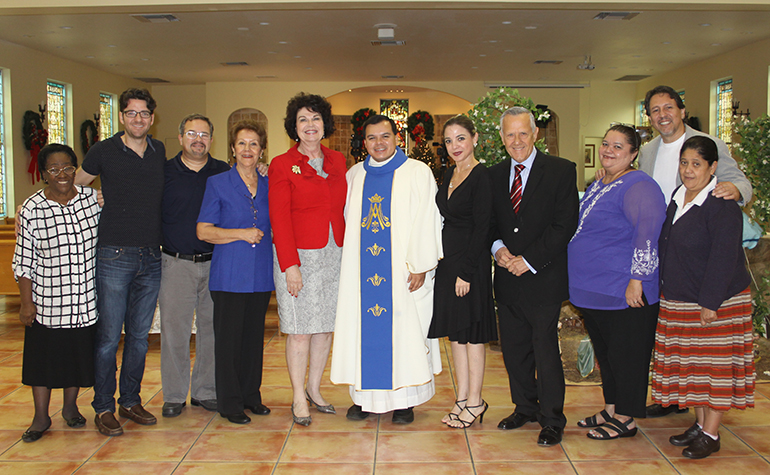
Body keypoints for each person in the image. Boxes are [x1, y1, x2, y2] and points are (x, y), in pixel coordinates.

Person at [638, 85, 752, 418]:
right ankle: (676, 398)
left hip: (701, 248)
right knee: (684, 350)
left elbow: (739, 183)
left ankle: (705, 422)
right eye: (655, 110)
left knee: (706, 355)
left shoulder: (709, 145)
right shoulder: (648, 150)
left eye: (668, 108)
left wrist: (734, 191)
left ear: (682, 110)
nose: (663, 115)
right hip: (671, 248)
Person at [331, 115, 442, 424]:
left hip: (403, 272)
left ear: (397, 139)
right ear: (363, 142)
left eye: (385, 136)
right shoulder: (354, 176)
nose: (378, 143)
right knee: (360, 331)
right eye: (371, 138)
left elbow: (428, 220)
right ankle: (364, 399)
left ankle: (405, 402)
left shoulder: (418, 172)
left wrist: (420, 265)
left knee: (406, 334)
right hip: (361, 274)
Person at [651, 136, 753, 459]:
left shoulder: (721, 204)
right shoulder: (677, 195)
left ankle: (711, 432)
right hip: (680, 298)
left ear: (713, 168)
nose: (688, 171)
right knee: (692, 368)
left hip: (715, 302)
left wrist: (711, 302)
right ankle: (698, 424)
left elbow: (724, 257)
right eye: (684, 163)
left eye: (696, 164)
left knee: (714, 371)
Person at [75, 88, 165, 436]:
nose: (138, 119)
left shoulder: (159, 151)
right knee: (109, 337)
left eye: (144, 113)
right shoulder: (103, 151)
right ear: (122, 117)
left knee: (140, 337)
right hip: (113, 255)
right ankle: (103, 407)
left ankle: (130, 399)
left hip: (151, 255)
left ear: (152, 119)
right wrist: (90, 195)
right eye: (131, 113)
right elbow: (72, 185)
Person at [568, 125, 666, 439]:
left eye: (619, 146)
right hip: (594, 291)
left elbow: (647, 236)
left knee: (628, 356)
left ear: (634, 153)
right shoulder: (602, 182)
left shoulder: (640, 185)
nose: (609, 150)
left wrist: (638, 279)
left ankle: (625, 417)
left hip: (623, 291)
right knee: (608, 356)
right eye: (606, 144)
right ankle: (611, 407)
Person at [489, 106, 578, 447]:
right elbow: (491, 224)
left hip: (543, 278)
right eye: (510, 135)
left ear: (535, 134)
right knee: (514, 350)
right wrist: (498, 250)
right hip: (508, 278)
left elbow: (564, 224)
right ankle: (524, 407)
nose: (517, 141)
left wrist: (529, 260)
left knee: (544, 351)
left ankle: (552, 419)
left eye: (523, 133)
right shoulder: (494, 175)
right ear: (502, 138)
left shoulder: (560, 171)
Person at [268, 93, 347, 426]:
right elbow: (279, 218)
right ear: (294, 127)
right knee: (300, 330)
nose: (310, 125)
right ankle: (298, 396)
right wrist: (290, 265)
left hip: (334, 253)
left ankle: (315, 389)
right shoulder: (282, 164)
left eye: (315, 118)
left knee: (324, 329)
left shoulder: (338, 160)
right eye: (303, 119)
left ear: (324, 124)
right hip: (298, 256)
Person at [13, 144, 100, 442]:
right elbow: (24, 262)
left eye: (67, 168)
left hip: (84, 300)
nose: (61, 174)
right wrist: (27, 304)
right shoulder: (32, 208)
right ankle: (40, 416)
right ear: (44, 174)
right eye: (53, 169)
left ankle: (71, 408)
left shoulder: (92, 201)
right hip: (47, 302)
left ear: (76, 169)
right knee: (43, 362)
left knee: (76, 358)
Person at [197, 120, 274, 424]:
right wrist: (240, 233)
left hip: (259, 275)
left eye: (253, 144)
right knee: (228, 342)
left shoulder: (269, 183)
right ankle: (229, 403)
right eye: (241, 143)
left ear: (261, 150)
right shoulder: (218, 183)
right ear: (232, 148)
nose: (247, 149)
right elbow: (203, 230)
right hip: (229, 275)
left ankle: (250, 396)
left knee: (253, 340)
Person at [159, 114, 231, 418]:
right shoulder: (163, 172)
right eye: (191, 133)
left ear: (211, 140)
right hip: (176, 264)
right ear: (180, 138)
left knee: (211, 331)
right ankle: (174, 395)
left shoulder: (224, 171)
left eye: (204, 134)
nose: (198, 139)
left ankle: (205, 391)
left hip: (216, 262)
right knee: (174, 332)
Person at [428, 115, 496, 428]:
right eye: (449, 140)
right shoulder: (448, 173)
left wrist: (466, 273)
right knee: (456, 335)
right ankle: (462, 397)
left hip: (470, 265)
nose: (455, 146)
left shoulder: (482, 176)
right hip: (448, 263)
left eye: (460, 138)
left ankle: (475, 401)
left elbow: (483, 228)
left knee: (472, 336)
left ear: (475, 138)